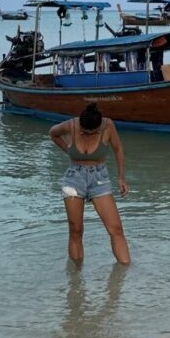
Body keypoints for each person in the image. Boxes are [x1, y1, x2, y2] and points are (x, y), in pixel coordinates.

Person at [49, 103, 131, 265]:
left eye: (92, 133)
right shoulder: (71, 125)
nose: (87, 135)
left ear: (99, 128)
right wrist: (68, 150)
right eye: (84, 132)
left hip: (99, 179)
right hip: (74, 179)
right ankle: (75, 281)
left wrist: (121, 177)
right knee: (76, 230)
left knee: (115, 229)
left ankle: (125, 274)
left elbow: (118, 149)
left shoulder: (108, 126)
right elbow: (52, 133)